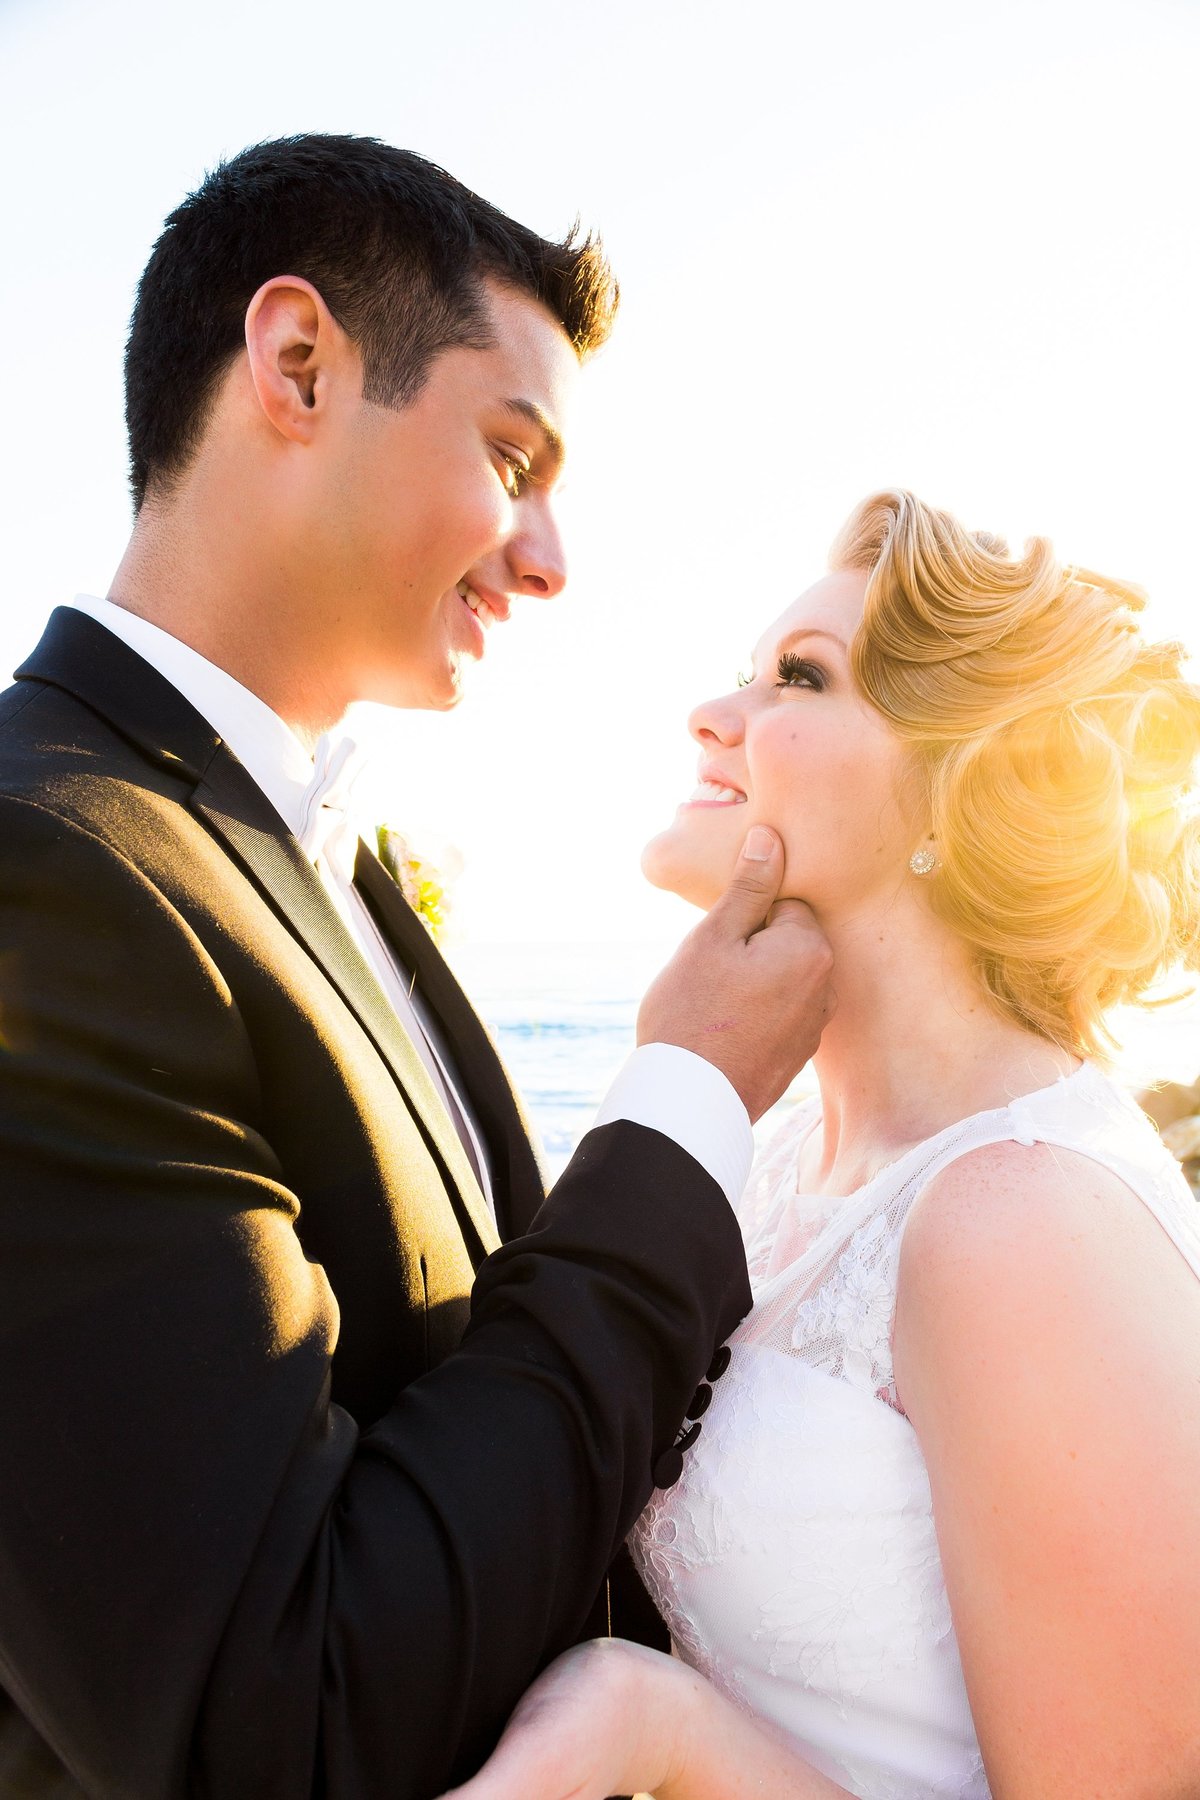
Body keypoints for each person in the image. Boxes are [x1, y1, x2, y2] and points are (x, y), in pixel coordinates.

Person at [0, 134, 838, 1798]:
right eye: (511, 454)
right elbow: (281, 1714)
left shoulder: (325, 870)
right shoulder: (55, 874)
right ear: (297, 364)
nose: (549, 556)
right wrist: (678, 1110)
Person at [442, 489, 1200, 1800]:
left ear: (956, 796)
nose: (713, 716)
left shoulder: (1024, 1218)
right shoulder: (779, 1157)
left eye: (800, 677)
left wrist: (657, 1731)